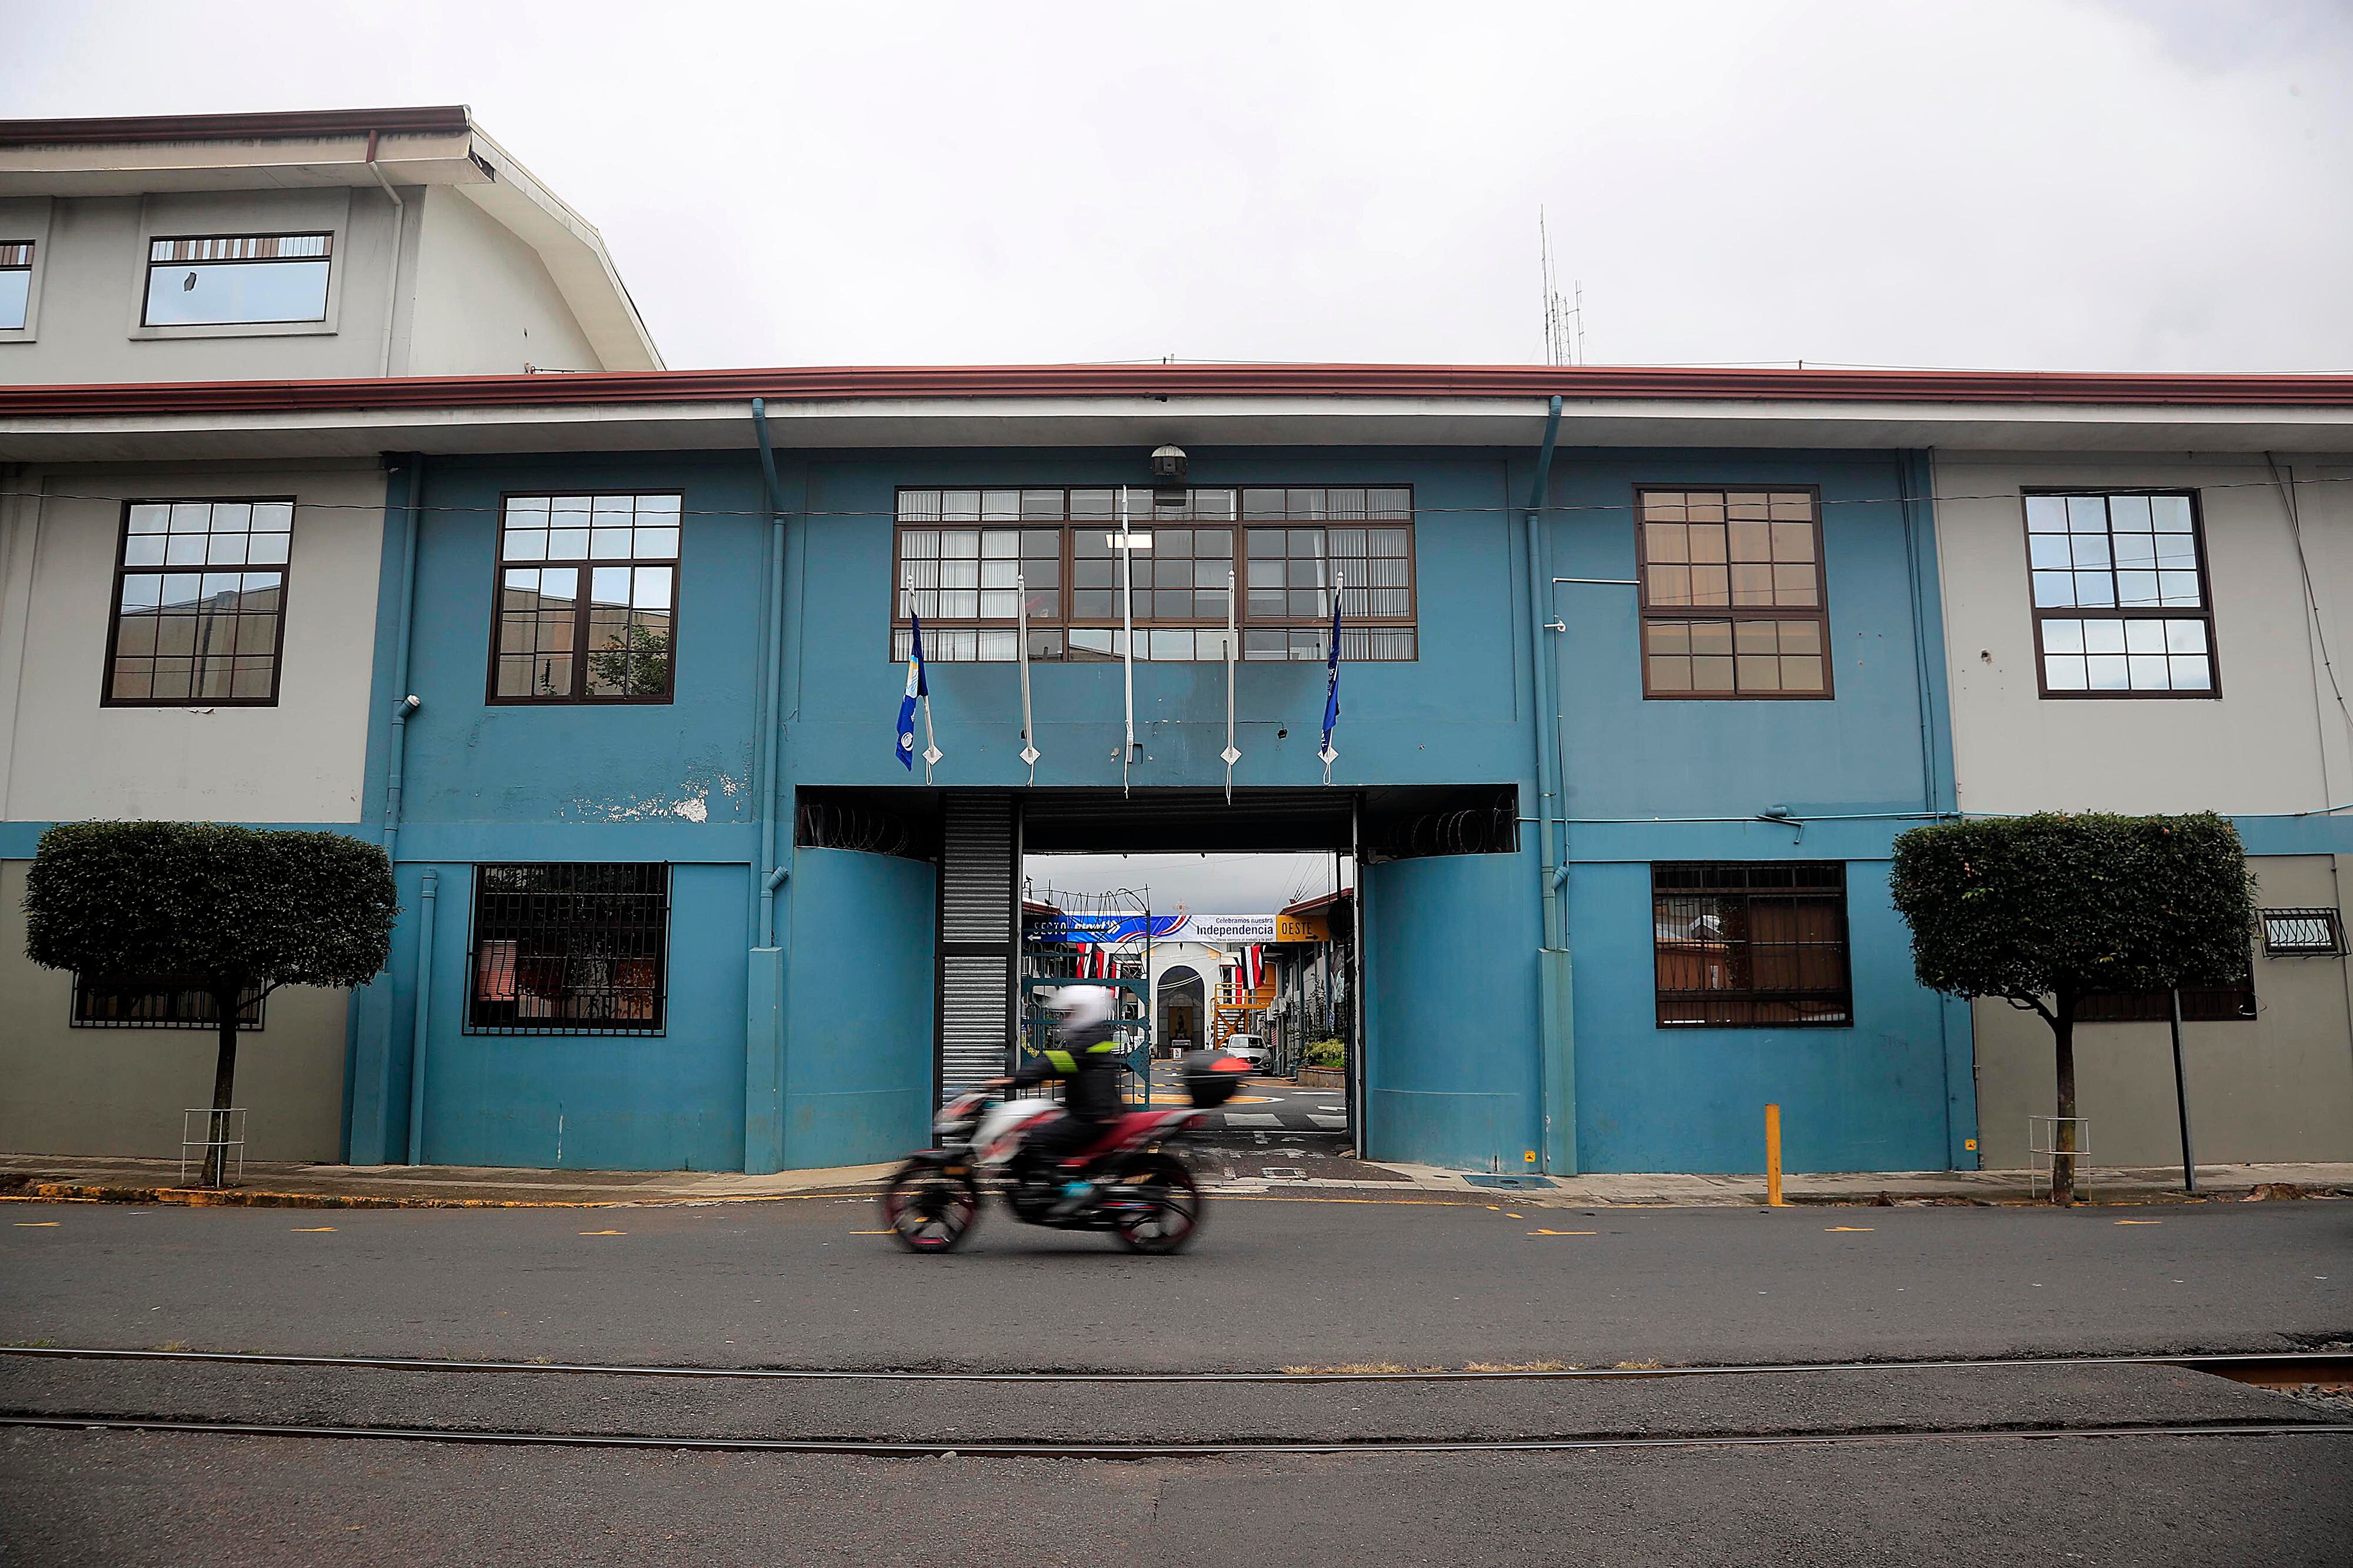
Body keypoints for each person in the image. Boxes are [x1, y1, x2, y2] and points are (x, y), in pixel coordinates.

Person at [996, 985, 1128, 1215]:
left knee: (1037, 1139)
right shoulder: (1094, 1037)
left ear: (1085, 1011)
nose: (1065, 1020)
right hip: (1093, 1112)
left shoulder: (1087, 1042)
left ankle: (1072, 1189)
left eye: (1070, 1013)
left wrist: (1013, 1080)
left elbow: (1053, 1064)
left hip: (1091, 1118)